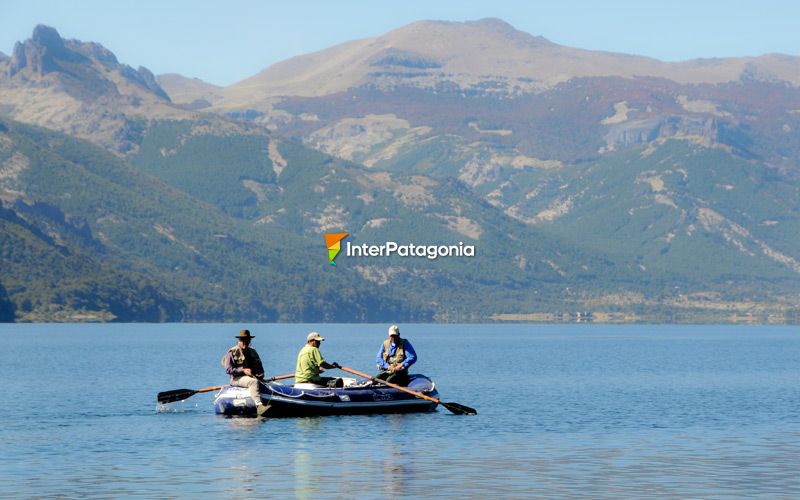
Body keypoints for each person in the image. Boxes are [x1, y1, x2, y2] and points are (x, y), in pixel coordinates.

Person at [222, 329, 268, 416]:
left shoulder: (253, 352)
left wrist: (260, 375)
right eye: (243, 340)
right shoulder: (232, 352)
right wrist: (243, 371)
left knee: (260, 382)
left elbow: (260, 368)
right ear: (239, 341)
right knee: (253, 382)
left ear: (250, 341)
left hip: (251, 377)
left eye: (247, 340)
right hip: (236, 378)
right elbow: (228, 370)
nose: (245, 342)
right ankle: (259, 406)